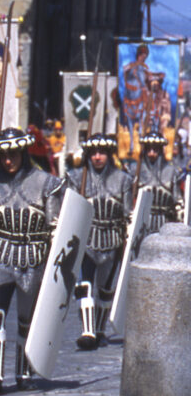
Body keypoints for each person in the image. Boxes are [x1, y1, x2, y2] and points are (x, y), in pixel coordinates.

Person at [0, 128, 64, 394]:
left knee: (27, 319)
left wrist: (53, 262)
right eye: (3, 155)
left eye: (12, 154)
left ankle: (24, 373)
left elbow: (55, 227)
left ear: (22, 153)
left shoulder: (47, 184)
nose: (8, 160)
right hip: (1, 255)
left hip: (33, 258)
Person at [65, 133, 133, 349]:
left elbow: (128, 213)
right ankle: (88, 331)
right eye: (93, 153)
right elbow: (69, 210)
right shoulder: (76, 177)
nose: (97, 157)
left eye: (101, 153)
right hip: (87, 239)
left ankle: (100, 329)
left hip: (112, 240)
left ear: (109, 154)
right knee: (84, 286)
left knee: (105, 290)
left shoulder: (123, 179)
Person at [134, 130, 183, 232]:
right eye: (148, 150)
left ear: (160, 150)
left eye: (155, 150)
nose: (151, 153)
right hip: (141, 224)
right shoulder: (136, 171)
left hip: (164, 223)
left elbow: (178, 201)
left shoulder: (171, 172)